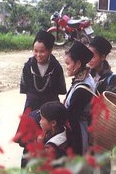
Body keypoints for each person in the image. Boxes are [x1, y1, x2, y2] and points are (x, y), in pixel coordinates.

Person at [17, 30, 67, 167]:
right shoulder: (28, 66)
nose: (38, 55)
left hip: (50, 109)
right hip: (32, 105)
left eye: (42, 51)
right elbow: (26, 88)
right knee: (29, 142)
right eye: (35, 51)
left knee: (50, 140)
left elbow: (60, 89)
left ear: (50, 50)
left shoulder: (56, 67)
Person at [88, 36, 116, 174]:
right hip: (87, 123)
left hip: (102, 126)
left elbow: (108, 102)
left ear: (103, 57)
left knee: (103, 160)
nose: (89, 59)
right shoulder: (85, 74)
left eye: (93, 56)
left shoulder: (112, 79)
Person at [63, 40, 95, 155]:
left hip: (79, 132)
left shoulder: (83, 88)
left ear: (78, 64)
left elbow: (72, 118)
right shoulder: (85, 78)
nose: (66, 67)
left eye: (68, 63)